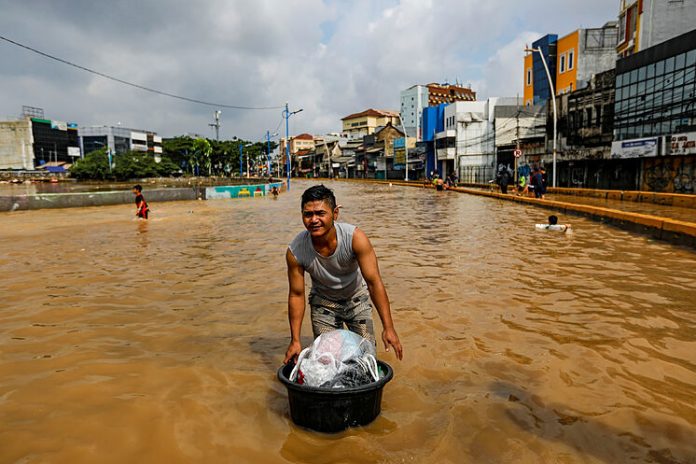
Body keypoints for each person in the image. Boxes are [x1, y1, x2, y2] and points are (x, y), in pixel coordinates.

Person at [283, 185, 403, 365]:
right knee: (327, 361)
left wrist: (389, 327)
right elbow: (296, 294)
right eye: (308, 214)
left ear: (335, 213)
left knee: (366, 358)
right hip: (324, 304)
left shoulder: (355, 238)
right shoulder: (296, 251)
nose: (314, 220)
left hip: (357, 300)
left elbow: (373, 282)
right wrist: (295, 340)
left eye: (320, 213)